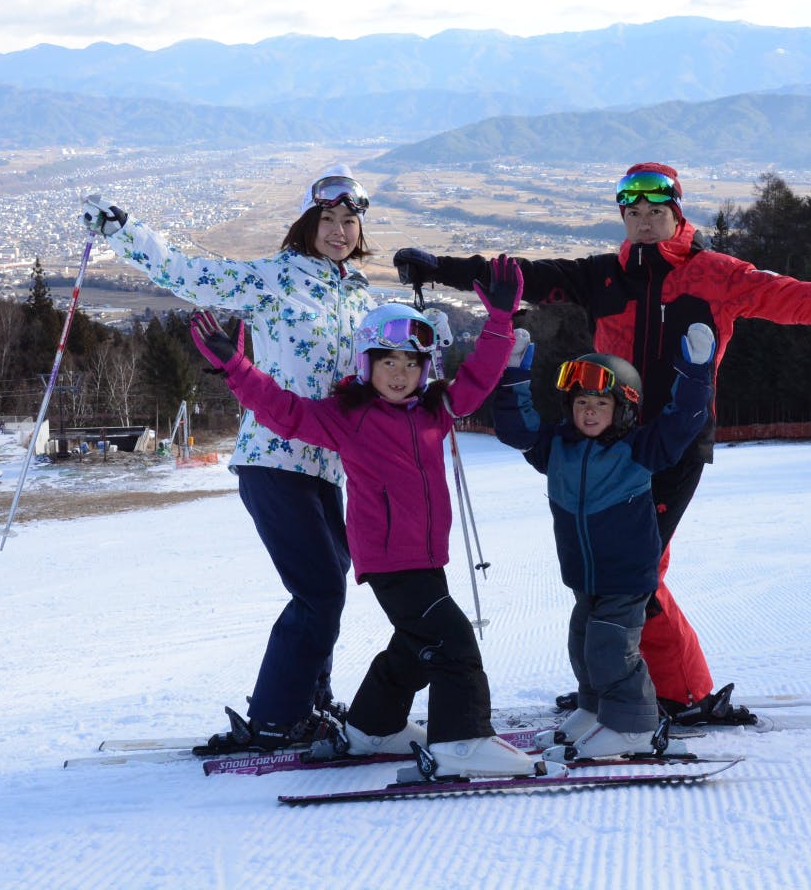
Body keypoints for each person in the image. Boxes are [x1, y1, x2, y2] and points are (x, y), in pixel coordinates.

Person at [394, 162, 811, 724]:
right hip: (610, 440)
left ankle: (678, 692)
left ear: (677, 213)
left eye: (656, 213)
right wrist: (443, 268)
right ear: (623, 218)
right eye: (634, 214)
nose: (645, 223)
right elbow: (518, 274)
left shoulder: (718, 274)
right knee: (620, 572)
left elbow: (800, 298)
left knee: (636, 575)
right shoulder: (602, 276)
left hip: (674, 443)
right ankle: (629, 681)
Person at [189, 258, 551, 779]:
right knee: (453, 644)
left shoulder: (435, 409)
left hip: (426, 557)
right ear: (366, 365)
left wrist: (498, 321)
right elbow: (284, 412)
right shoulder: (349, 419)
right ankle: (463, 742)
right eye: (388, 363)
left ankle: (372, 727)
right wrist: (235, 368)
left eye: (410, 363)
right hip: (389, 561)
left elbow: (480, 376)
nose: (400, 374)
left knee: (416, 644)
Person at [81, 167, 376, 754]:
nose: (339, 231)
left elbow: (394, 357)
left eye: (349, 221)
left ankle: (310, 701)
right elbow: (189, 275)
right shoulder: (272, 279)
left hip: (326, 465)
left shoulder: (360, 296)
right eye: (327, 220)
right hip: (272, 457)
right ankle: (274, 717)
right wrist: (124, 230)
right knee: (320, 592)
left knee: (329, 584)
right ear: (306, 224)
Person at [494, 325, 716, 759]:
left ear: (624, 409)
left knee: (613, 647)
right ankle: (595, 710)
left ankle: (633, 725)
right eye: (581, 403)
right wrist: (514, 370)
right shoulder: (556, 446)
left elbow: (682, 421)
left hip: (626, 573)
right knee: (583, 642)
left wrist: (695, 371)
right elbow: (515, 428)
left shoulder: (639, 449)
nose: (590, 412)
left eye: (601, 403)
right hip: (584, 574)